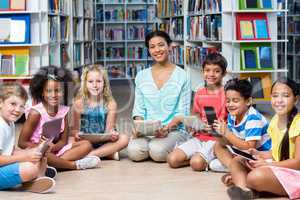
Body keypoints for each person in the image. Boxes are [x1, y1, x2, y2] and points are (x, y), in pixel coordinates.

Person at [227, 78, 300, 200]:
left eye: (285, 96)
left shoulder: (297, 124)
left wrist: (267, 165)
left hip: (294, 172)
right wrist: (259, 154)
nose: (279, 101)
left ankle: (244, 182)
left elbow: (297, 163)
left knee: (255, 176)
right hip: (280, 167)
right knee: (238, 160)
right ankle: (244, 189)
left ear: (296, 99)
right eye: (275, 96)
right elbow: (277, 152)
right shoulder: (275, 120)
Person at [18, 66, 100, 171]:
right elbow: (21, 142)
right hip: (37, 150)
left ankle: (53, 164)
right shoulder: (36, 113)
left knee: (87, 145)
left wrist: (53, 147)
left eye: (57, 91)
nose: (53, 95)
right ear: (42, 93)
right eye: (48, 91)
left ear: (64, 91)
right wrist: (39, 146)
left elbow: (63, 141)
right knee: (43, 153)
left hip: (54, 151)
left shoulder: (64, 111)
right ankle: (74, 165)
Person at [127, 30, 191, 162]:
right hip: (148, 130)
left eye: (161, 45)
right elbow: (139, 109)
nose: (157, 50)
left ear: (169, 46)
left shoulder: (183, 75)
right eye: (152, 47)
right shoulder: (141, 76)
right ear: (149, 50)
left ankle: (176, 146)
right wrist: (139, 127)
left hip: (173, 130)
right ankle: (151, 145)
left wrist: (166, 128)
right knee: (134, 152)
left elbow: (182, 113)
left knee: (158, 151)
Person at [167, 52, 228, 171]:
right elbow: (196, 114)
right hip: (200, 136)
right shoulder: (199, 93)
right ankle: (199, 158)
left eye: (216, 71)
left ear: (224, 73)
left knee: (196, 164)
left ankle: (205, 159)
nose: (211, 74)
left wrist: (218, 127)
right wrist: (195, 124)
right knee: (172, 160)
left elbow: (232, 120)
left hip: (216, 140)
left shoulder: (227, 93)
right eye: (207, 70)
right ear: (203, 72)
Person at [0, 82, 55, 193]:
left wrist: (33, 151)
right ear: (0, 102)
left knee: (40, 157)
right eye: (13, 104)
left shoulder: (9, 122)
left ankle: (36, 176)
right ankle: (34, 177)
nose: (17, 110)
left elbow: (9, 150)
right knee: (29, 168)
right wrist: (24, 157)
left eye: (22, 106)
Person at [213, 78, 271, 180]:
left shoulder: (253, 118)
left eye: (235, 101)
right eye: (228, 101)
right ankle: (234, 169)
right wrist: (218, 133)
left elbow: (249, 147)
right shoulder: (233, 115)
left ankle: (235, 170)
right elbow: (229, 141)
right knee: (218, 145)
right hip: (241, 151)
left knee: (214, 164)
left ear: (248, 101)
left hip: (258, 154)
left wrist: (227, 133)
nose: (230, 105)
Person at [71, 64, 129, 160]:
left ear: (104, 83)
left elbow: (109, 130)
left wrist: (111, 135)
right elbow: (75, 130)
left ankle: (89, 155)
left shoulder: (110, 103)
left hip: (105, 141)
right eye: (90, 81)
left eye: (98, 81)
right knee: (68, 141)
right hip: (85, 142)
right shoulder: (78, 103)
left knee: (124, 139)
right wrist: (76, 134)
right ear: (85, 83)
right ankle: (106, 153)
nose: (95, 85)